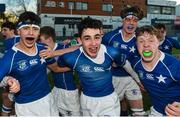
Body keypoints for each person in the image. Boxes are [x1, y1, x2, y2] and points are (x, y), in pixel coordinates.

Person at [52, 17, 140, 116]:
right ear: (80, 40)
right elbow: (57, 68)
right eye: (87, 38)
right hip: (86, 101)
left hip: (108, 101)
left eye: (97, 37)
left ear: (101, 37)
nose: (93, 43)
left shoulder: (112, 52)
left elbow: (124, 64)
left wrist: (138, 80)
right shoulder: (70, 58)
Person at [0, 11, 70, 116]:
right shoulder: (10, 57)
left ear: (38, 33)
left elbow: (56, 69)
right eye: (26, 28)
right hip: (27, 107)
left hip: (48, 100)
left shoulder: (43, 49)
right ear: (19, 31)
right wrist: (8, 80)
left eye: (35, 29)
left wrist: (72, 67)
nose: (31, 33)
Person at [102, 5, 145, 116]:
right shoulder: (110, 37)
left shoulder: (140, 40)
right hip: (112, 78)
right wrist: (109, 62)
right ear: (123, 21)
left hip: (131, 78)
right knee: (110, 111)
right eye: (128, 19)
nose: (131, 23)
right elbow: (98, 55)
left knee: (139, 113)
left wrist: (139, 80)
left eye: (135, 20)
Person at [132, 25, 180, 116]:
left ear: (158, 42)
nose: (146, 45)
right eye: (141, 41)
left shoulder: (173, 65)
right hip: (156, 111)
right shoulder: (136, 64)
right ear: (136, 45)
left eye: (151, 40)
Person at [39, 26, 81, 116]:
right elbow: (51, 69)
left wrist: (72, 41)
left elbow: (81, 46)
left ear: (49, 39)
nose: (39, 42)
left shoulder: (65, 47)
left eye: (41, 39)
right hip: (56, 89)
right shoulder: (43, 52)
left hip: (69, 91)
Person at [1, 21, 20, 116]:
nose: (2, 32)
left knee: (10, 97)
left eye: (5, 30)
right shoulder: (8, 41)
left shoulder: (18, 39)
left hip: (19, 75)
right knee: (7, 97)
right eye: (1, 30)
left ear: (12, 30)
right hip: (10, 74)